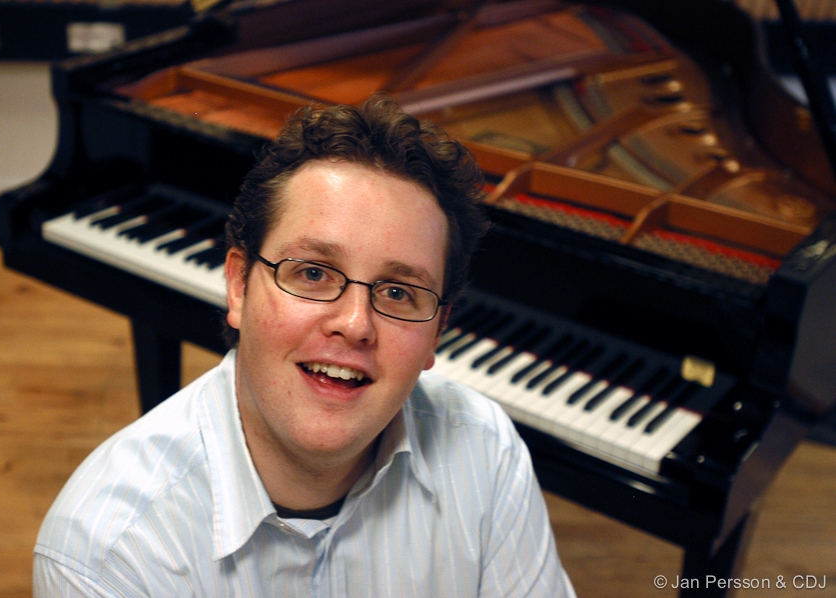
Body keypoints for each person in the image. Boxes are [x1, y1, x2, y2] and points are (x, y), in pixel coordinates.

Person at [34, 95, 576, 597]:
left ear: (437, 333)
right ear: (239, 286)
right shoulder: (107, 555)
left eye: (397, 292)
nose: (356, 324)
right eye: (313, 273)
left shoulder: (485, 450)